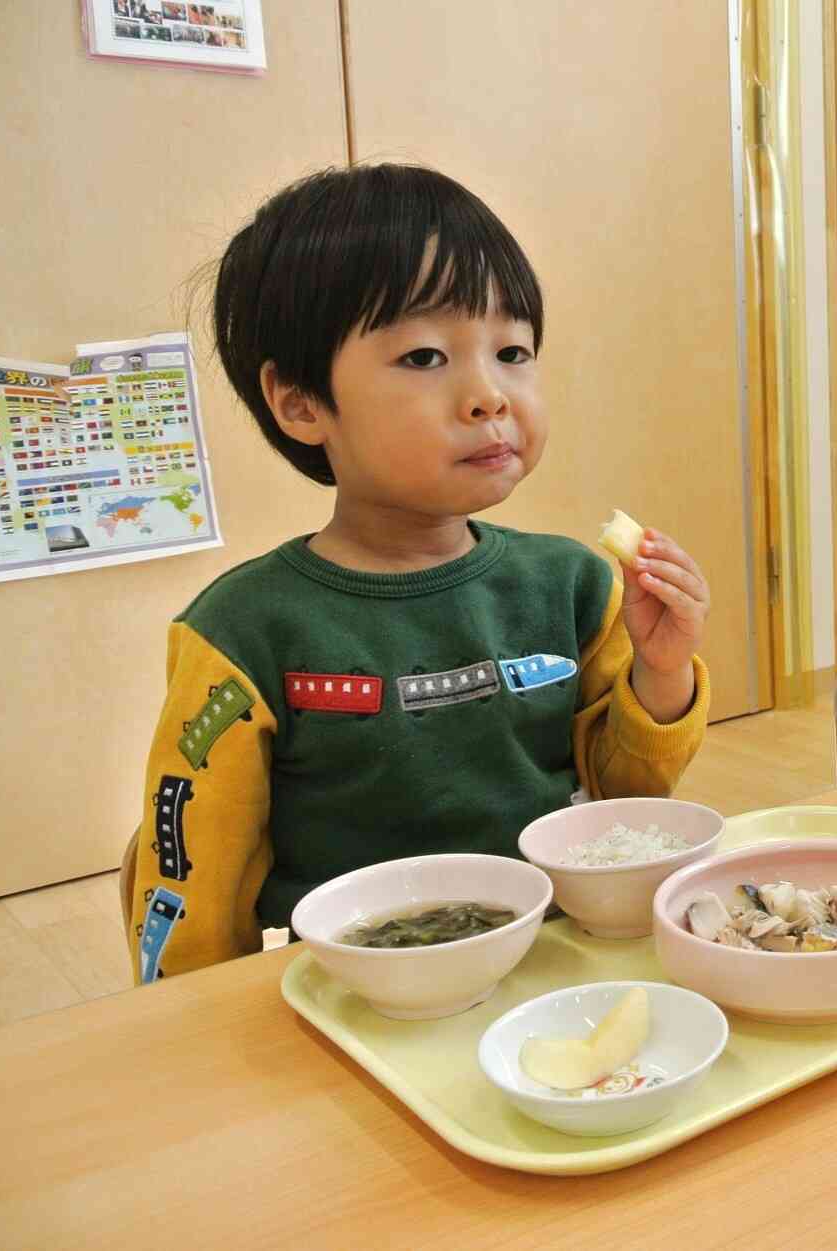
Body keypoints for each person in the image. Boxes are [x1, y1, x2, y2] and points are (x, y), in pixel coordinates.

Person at [123, 164, 711, 980]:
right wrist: (190, 1030)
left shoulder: (573, 585)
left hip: (551, 965)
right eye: (426, 355)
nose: (488, 395)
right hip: (359, 997)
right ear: (301, 402)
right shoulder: (244, 630)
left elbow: (622, 802)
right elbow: (194, 886)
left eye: (512, 350)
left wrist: (663, 668)